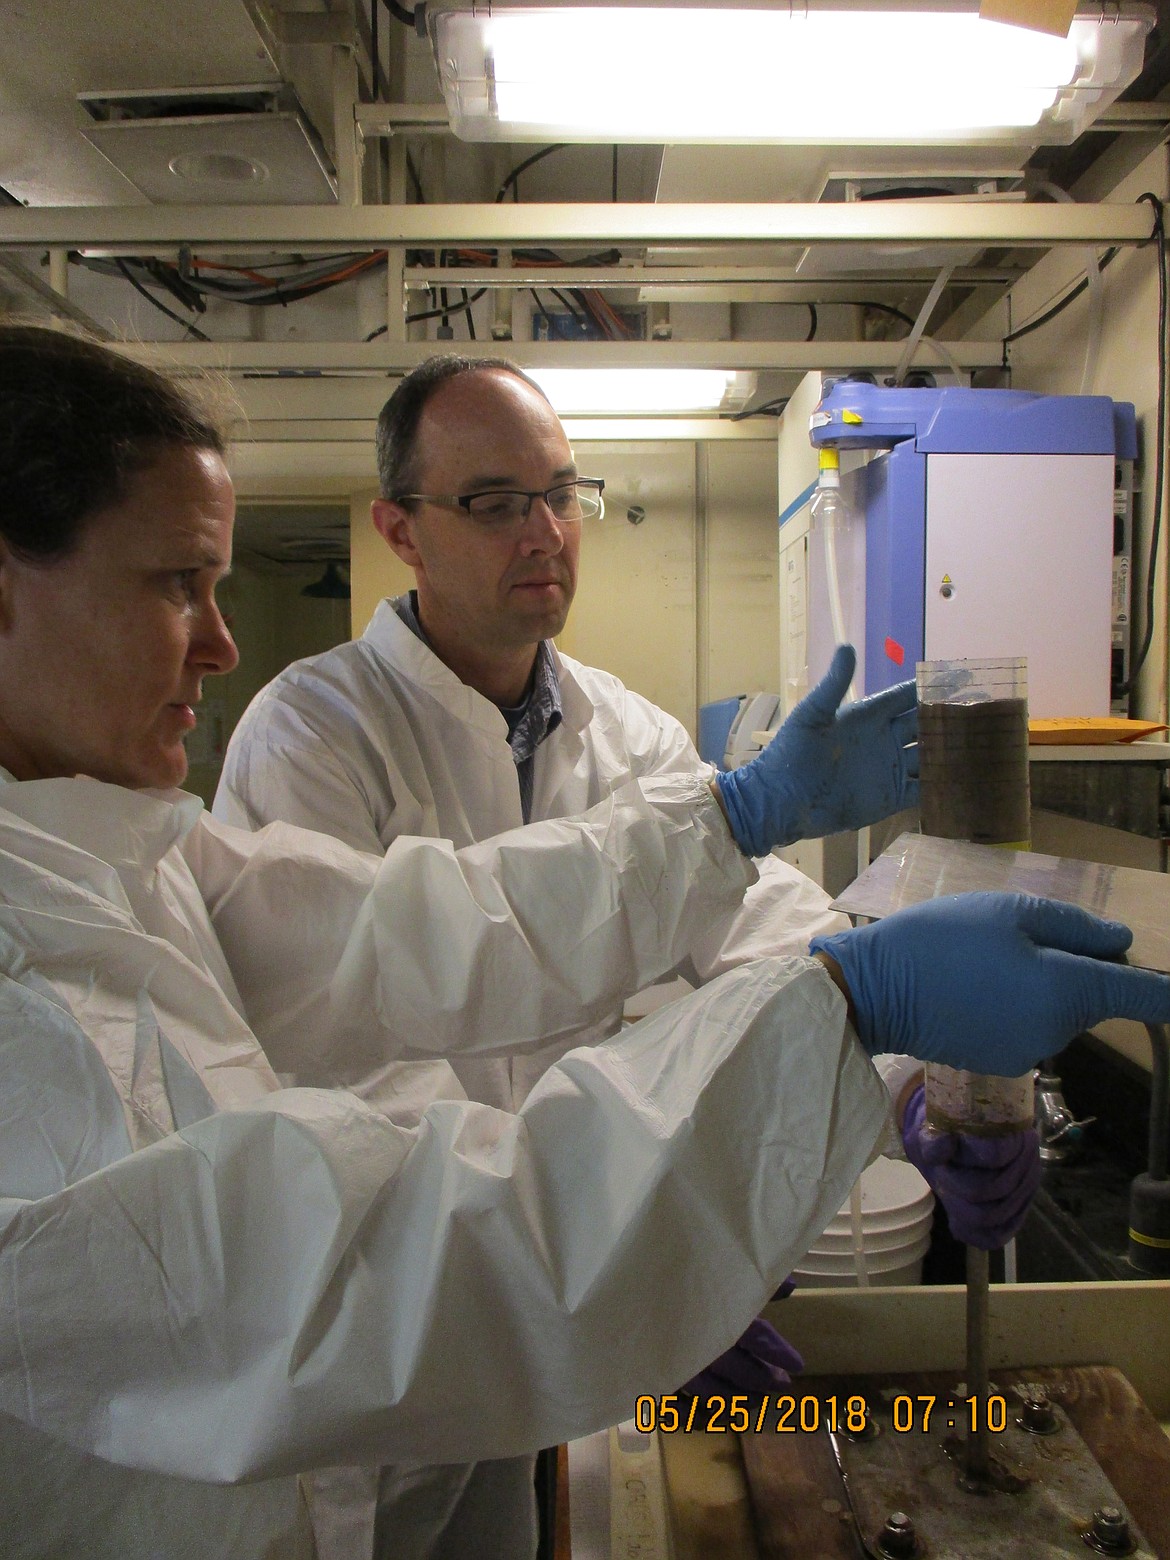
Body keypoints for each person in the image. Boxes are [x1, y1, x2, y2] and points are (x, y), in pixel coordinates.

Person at [1, 325, 1162, 1560]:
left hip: (501, 1338)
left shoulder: (118, 853)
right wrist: (688, 1235)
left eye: (558, 494)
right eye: (176, 582)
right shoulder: (271, 765)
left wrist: (894, 1064)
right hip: (409, 1376)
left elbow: (443, 929)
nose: (222, 642)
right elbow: (379, 1253)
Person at [216, 357, 1041, 1557]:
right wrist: (638, 1263)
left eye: (562, 492)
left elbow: (762, 930)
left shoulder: (626, 728)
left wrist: (915, 1085)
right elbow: (355, 1088)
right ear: (399, 528)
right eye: (496, 501)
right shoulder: (314, 736)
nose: (546, 530)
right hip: (401, 1327)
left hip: (563, 1280)